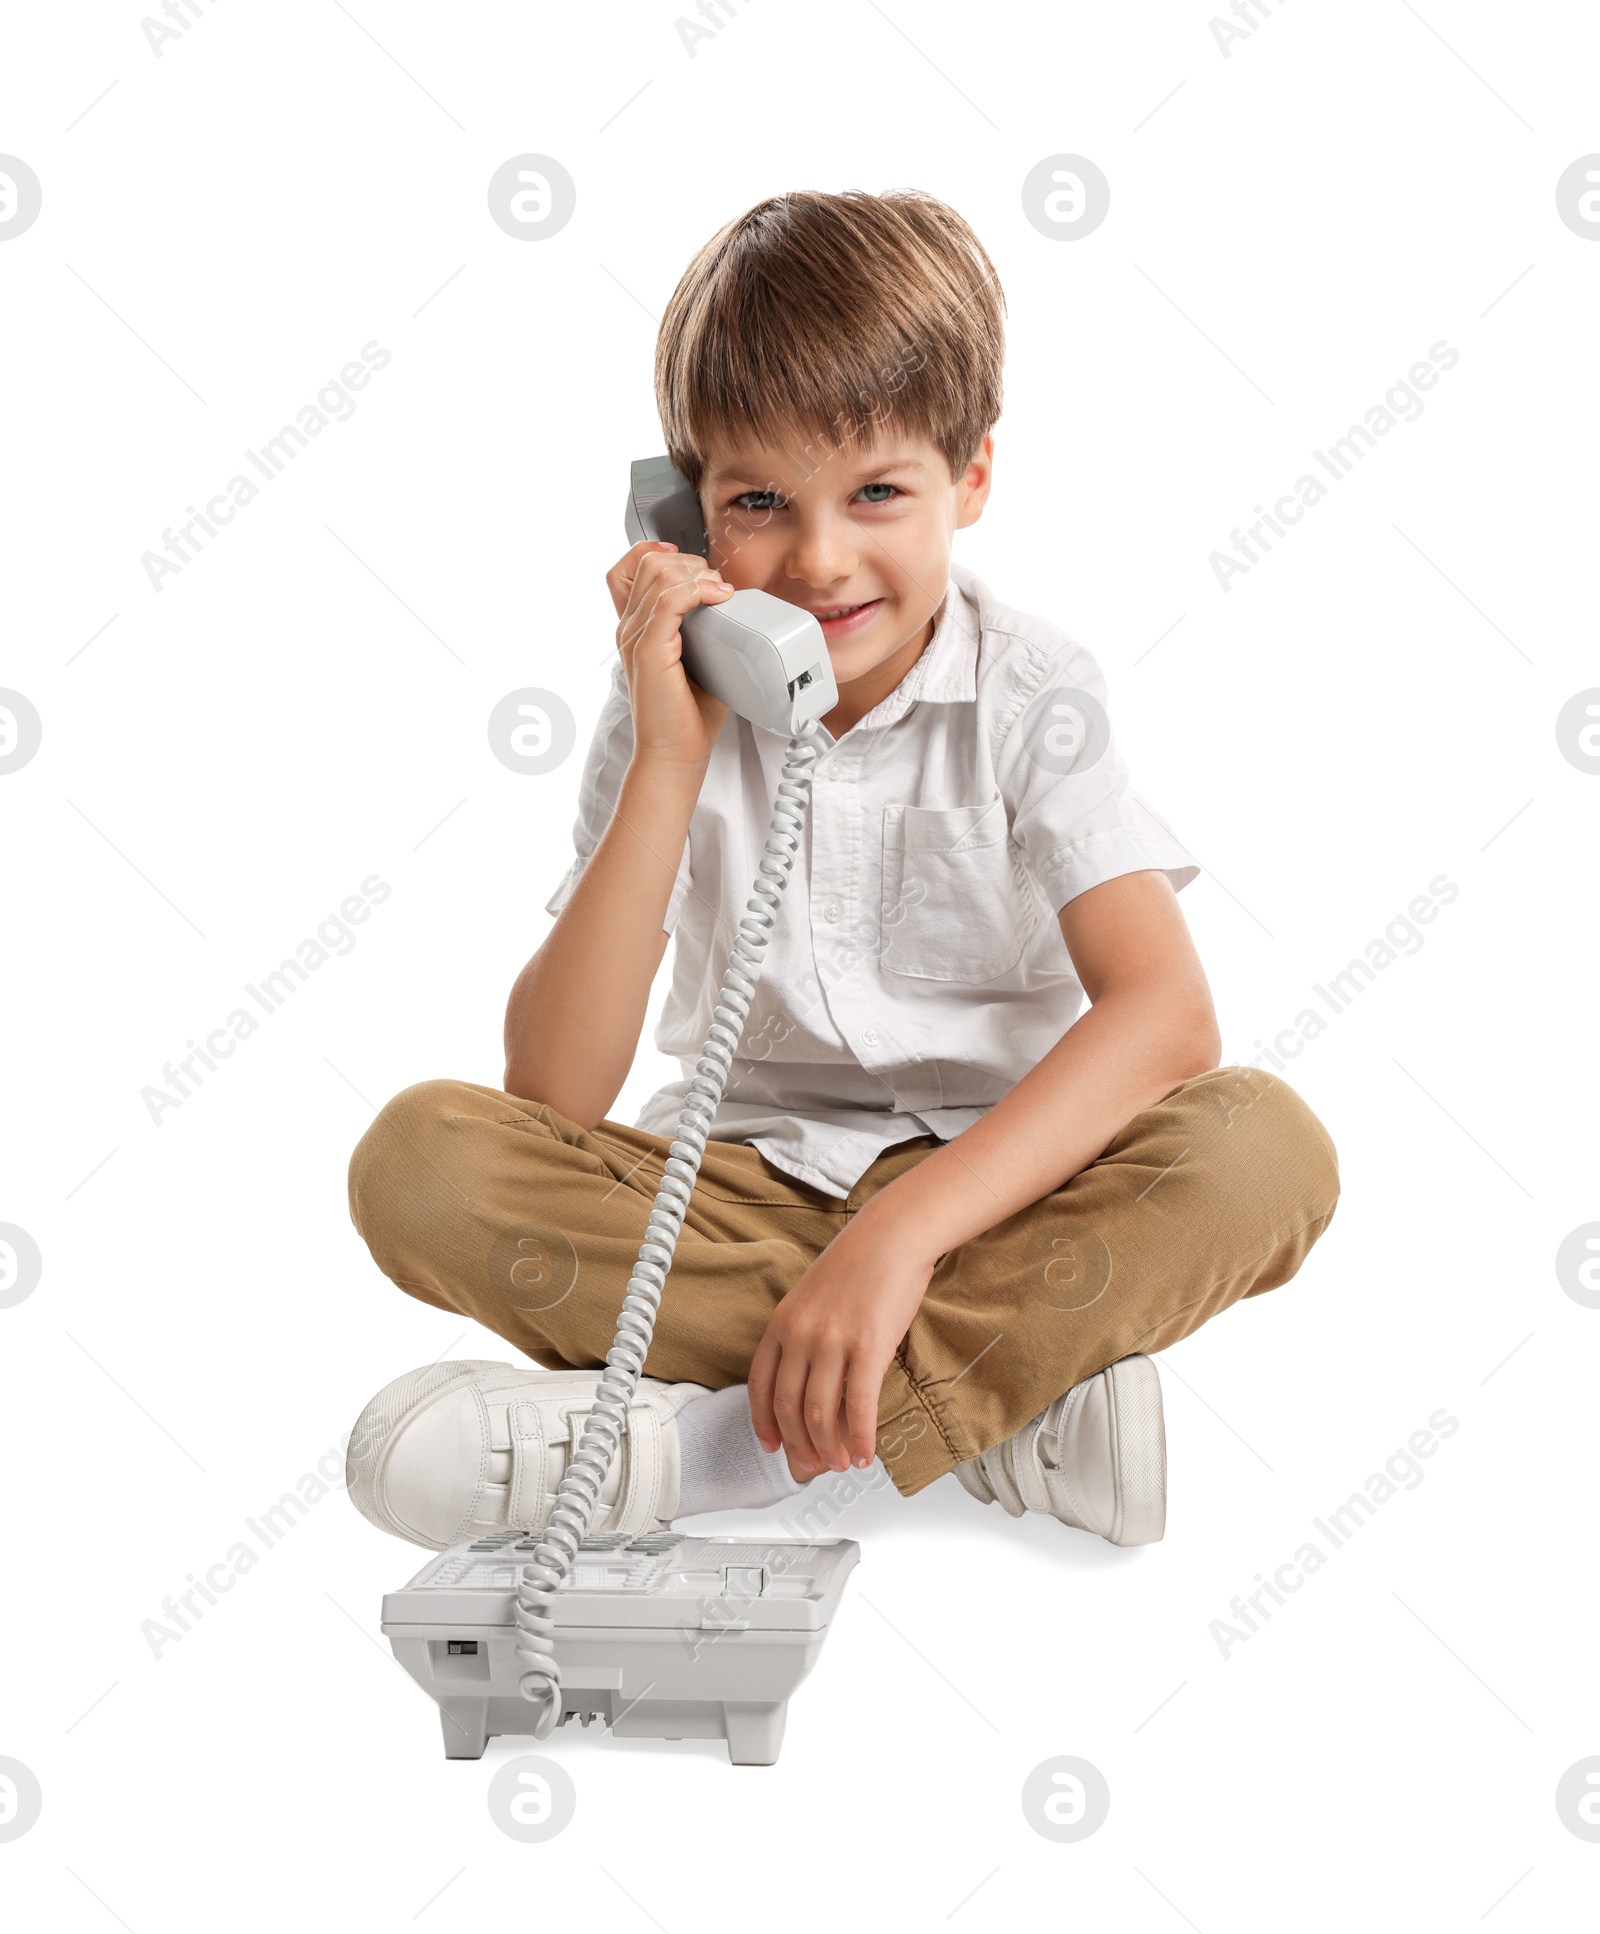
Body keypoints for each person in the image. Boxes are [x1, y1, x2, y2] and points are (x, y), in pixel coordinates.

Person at [342, 188, 1340, 1555]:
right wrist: (671, 759)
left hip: (1004, 1185)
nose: (818, 559)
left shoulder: (1032, 686)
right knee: (420, 1165)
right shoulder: (665, 705)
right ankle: (1011, 1403)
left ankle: (701, 1455)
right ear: (687, 515)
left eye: (878, 492)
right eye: (759, 502)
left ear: (971, 480)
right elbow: (556, 1094)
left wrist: (898, 1244)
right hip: (747, 1192)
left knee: (1259, 1149)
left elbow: (1165, 1016)